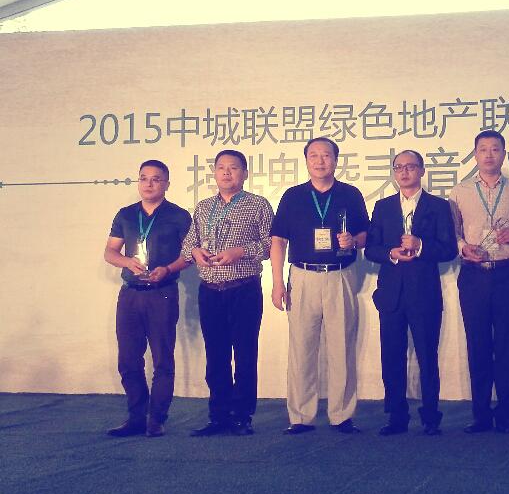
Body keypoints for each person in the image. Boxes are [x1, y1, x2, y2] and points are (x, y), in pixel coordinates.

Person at [269, 137, 369, 435]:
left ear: (336, 160)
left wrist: (353, 241)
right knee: (301, 348)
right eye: (314, 155)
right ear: (306, 161)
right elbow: (278, 240)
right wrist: (277, 282)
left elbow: (366, 235)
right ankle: (301, 416)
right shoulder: (293, 196)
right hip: (303, 276)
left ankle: (342, 415)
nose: (320, 161)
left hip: (341, 274)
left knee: (342, 346)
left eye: (326, 155)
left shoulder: (350, 194)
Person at [448, 130, 509, 433]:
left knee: (507, 345)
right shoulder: (459, 192)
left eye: (495, 149)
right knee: (477, 345)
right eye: (483, 149)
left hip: (508, 274)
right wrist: (463, 248)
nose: (489, 155)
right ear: (475, 155)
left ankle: (506, 416)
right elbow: (452, 232)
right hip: (474, 275)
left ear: (503, 154)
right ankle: (481, 415)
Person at [181, 149, 273, 436]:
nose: (226, 172)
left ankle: (242, 417)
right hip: (210, 291)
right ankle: (218, 416)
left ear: (245, 173)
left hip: (243, 289)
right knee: (216, 355)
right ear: (214, 173)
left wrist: (240, 252)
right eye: (221, 167)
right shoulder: (203, 207)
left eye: (233, 168)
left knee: (245, 354)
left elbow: (271, 245)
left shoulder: (258, 204)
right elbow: (188, 245)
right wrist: (195, 252)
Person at [366, 150, 458, 436]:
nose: (404, 172)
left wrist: (420, 246)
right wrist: (390, 253)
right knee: (392, 357)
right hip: (391, 294)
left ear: (421, 171)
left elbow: (449, 250)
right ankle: (396, 417)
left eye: (410, 167)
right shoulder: (383, 207)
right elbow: (371, 249)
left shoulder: (438, 206)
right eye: (399, 167)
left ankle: (431, 417)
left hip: (424, 294)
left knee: (427, 356)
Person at [102, 160, 192, 437]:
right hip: (130, 294)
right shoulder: (126, 215)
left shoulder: (179, 216)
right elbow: (110, 252)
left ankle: (157, 419)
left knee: (162, 358)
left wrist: (168, 269)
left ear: (167, 184)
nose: (149, 184)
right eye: (143, 178)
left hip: (162, 293)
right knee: (128, 359)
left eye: (156, 179)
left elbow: (189, 256)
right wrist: (127, 262)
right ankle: (136, 417)